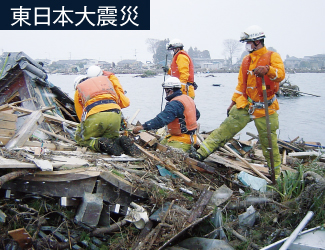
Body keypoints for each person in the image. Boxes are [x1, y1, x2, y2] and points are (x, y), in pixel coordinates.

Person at [190, 25, 285, 179]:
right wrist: (233, 102)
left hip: (266, 108)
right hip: (245, 104)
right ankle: (200, 154)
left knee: (270, 144)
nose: (246, 46)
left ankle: (276, 176)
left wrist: (268, 70)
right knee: (224, 130)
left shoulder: (272, 57)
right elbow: (241, 84)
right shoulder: (246, 60)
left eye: (248, 42)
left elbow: (280, 75)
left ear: (257, 42)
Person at [74, 65, 137, 156]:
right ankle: (120, 141)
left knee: (83, 139)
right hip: (115, 113)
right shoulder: (108, 83)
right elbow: (124, 102)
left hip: (96, 115)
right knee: (111, 138)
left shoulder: (79, 89)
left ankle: (100, 143)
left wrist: (83, 129)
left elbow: (81, 116)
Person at [132, 77, 200, 152]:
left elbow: (161, 120)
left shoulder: (175, 103)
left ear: (170, 91)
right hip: (191, 137)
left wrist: (143, 127)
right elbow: (197, 115)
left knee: (161, 152)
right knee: (157, 146)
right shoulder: (187, 98)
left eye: (165, 90)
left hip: (182, 140)